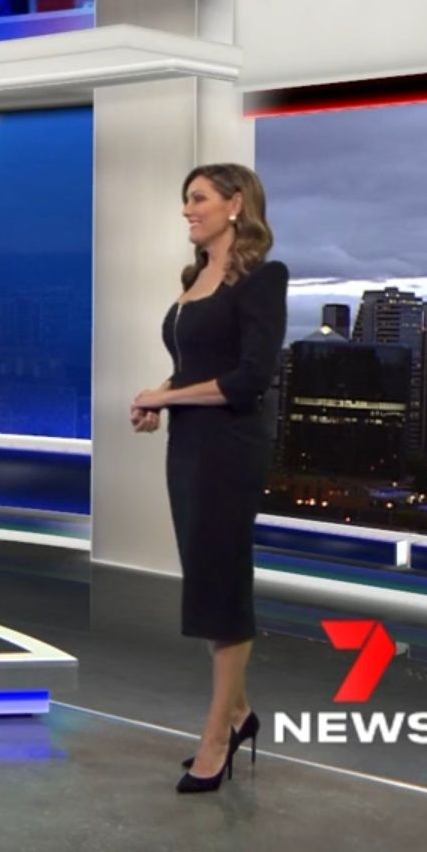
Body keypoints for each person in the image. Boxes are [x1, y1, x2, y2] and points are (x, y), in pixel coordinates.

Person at [130, 162, 289, 794]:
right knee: (205, 579)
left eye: (198, 198)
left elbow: (250, 378)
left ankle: (217, 737)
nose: (187, 210)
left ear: (236, 204)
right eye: (185, 199)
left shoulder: (263, 278)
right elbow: (194, 365)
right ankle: (241, 713)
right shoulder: (194, 278)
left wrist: (166, 398)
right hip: (190, 443)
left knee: (221, 585)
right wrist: (159, 396)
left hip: (231, 445)